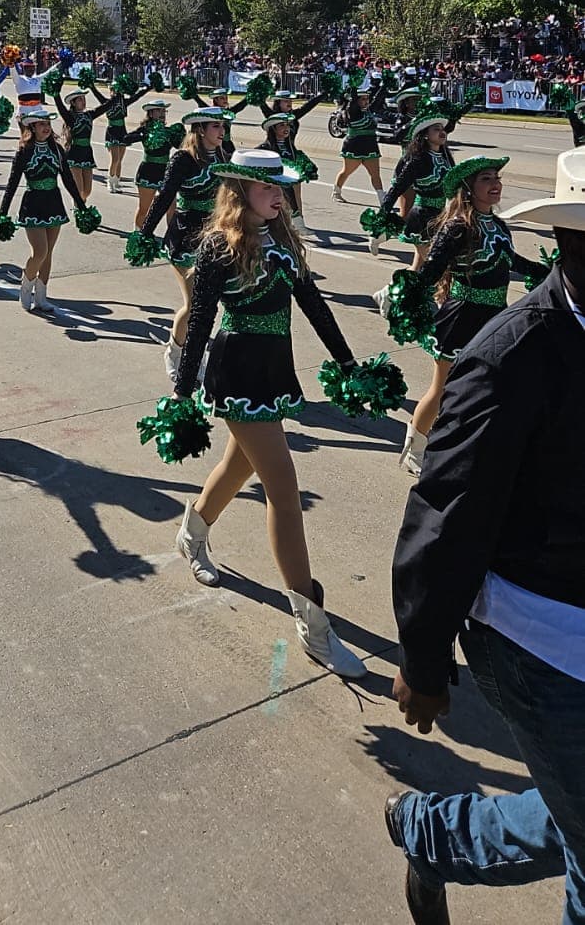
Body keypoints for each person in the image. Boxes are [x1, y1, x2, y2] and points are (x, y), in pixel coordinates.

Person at [387, 147, 585, 925]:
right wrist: (423, 659)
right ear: (572, 244)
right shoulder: (511, 358)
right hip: (536, 635)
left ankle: (432, 833)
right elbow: (445, 520)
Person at [169, 149, 368, 678]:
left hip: (274, 371)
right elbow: (203, 320)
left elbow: (315, 306)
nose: (280, 195)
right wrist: (183, 392)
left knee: (240, 467)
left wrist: (347, 362)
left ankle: (192, 531)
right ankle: (313, 624)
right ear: (239, 193)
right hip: (236, 372)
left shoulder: (282, 238)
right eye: (268, 188)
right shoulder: (217, 246)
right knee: (282, 487)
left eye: (281, 187)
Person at [376, 157, 549, 475]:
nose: (496, 183)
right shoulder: (458, 227)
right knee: (442, 388)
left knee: (492, 386)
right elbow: (429, 272)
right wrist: (401, 294)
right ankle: (415, 446)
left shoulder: (498, 226)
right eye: (486, 178)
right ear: (468, 188)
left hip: (495, 317)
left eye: (497, 177)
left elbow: (514, 262)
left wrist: (552, 271)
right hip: (462, 318)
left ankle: (472, 445)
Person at [130, 107, 228, 379]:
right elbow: (163, 198)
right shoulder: (183, 160)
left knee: (211, 305)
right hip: (185, 238)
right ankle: (175, 352)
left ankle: (198, 356)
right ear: (200, 130)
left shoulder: (222, 155)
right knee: (196, 304)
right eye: (216, 127)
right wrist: (145, 233)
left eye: (222, 126)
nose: (222, 131)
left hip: (215, 239)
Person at [0, 105, 91, 315]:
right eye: (42, 125)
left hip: (53, 203)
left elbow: (67, 179)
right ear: (32, 127)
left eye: (48, 124)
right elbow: (12, 183)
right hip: (33, 203)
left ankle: (41, 298)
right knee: (40, 251)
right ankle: (26, 286)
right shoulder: (24, 151)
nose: (46, 128)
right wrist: (3, 211)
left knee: (48, 254)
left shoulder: (57, 149)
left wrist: (81, 205)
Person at [369, 111, 453, 263]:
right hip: (423, 217)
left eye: (442, 129)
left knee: (419, 267)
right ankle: (380, 235)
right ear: (425, 135)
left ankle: (398, 286)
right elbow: (397, 188)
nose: (442, 132)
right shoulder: (418, 160)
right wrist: (383, 213)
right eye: (436, 129)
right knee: (434, 265)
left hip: (441, 215)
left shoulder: (445, 156)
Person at [123, 99, 184, 229]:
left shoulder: (168, 132)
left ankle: (171, 238)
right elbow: (126, 138)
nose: (162, 113)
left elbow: (180, 146)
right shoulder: (145, 130)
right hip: (148, 172)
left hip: (166, 172)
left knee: (171, 207)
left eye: (164, 110)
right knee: (145, 208)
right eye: (158, 110)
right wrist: (142, 135)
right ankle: (138, 233)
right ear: (150, 113)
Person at [86, 72, 151, 191]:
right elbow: (96, 93)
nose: (114, 92)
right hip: (112, 131)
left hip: (122, 131)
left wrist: (148, 88)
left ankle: (116, 181)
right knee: (114, 159)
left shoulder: (124, 102)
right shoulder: (106, 102)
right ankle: (110, 182)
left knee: (120, 160)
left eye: (116, 90)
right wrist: (91, 85)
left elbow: (137, 96)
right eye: (112, 90)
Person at [258, 113, 316, 236]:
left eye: (287, 125)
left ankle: (298, 226)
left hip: (285, 182)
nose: (286, 128)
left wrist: (308, 168)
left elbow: (298, 159)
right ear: (273, 129)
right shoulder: (265, 147)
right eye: (281, 125)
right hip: (271, 184)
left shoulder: (289, 147)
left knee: (292, 201)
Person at [53, 85, 113, 202]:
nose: (83, 101)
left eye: (84, 99)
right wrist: (55, 93)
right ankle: (79, 210)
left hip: (86, 153)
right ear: (73, 103)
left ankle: (79, 204)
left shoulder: (89, 115)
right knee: (79, 190)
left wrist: (118, 95)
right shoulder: (70, 117)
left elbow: (105, 107)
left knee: (87, 191)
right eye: (80, 99)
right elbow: (60, 106)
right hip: (74, 153)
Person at [332, 75, 385, 202]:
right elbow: (353, 98)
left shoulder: (369, 110)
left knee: (376, 175)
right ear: (356, 101)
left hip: (370, 145)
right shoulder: (352, 111)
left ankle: (383, 201)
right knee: (346, 171)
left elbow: (378, 98)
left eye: (367, 99)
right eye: (363, 99)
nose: (366, 101)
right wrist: (354, 84)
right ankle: (336, 192)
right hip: (354, 145)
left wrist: (385, 85)